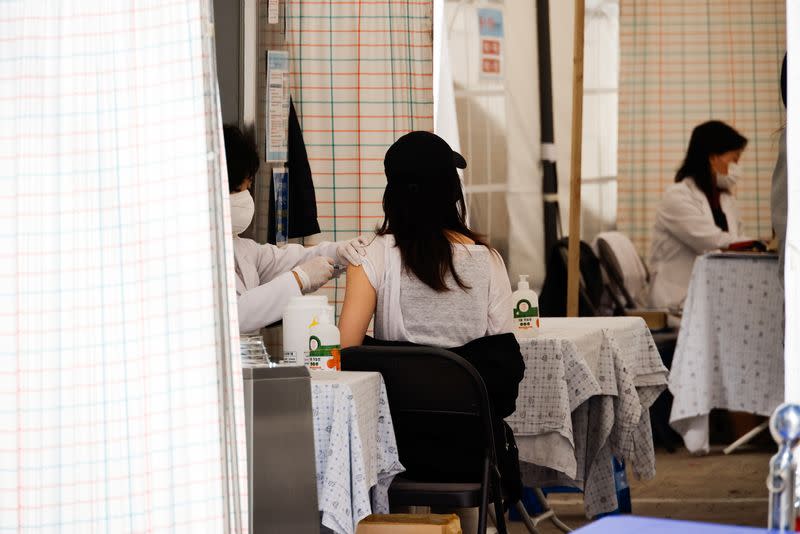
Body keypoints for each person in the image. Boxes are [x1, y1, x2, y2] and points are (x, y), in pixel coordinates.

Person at [337, 131, 520, 533]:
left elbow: (345, 351)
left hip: (390, 448)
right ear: (451, 192)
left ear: (393, 194)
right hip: (468, 450)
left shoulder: (372, 255)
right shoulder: (488, 260)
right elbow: (504, 359)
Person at [224, 125, 367, 333]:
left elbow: (286, 259)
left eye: (248, 189)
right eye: (239, 190)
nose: (246, 198)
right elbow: (235, 314)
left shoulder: (239, 247)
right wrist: (300, 278)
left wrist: (338, 252)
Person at [647, 120, 748, 310]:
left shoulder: (726, 201)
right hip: (676, 300)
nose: (736, 167)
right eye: (734, 159)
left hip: (710, 296)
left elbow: (736, 240)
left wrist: (753, 245)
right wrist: (755, 245)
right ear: (713, 157)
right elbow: (710, 241)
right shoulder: (677, 196)